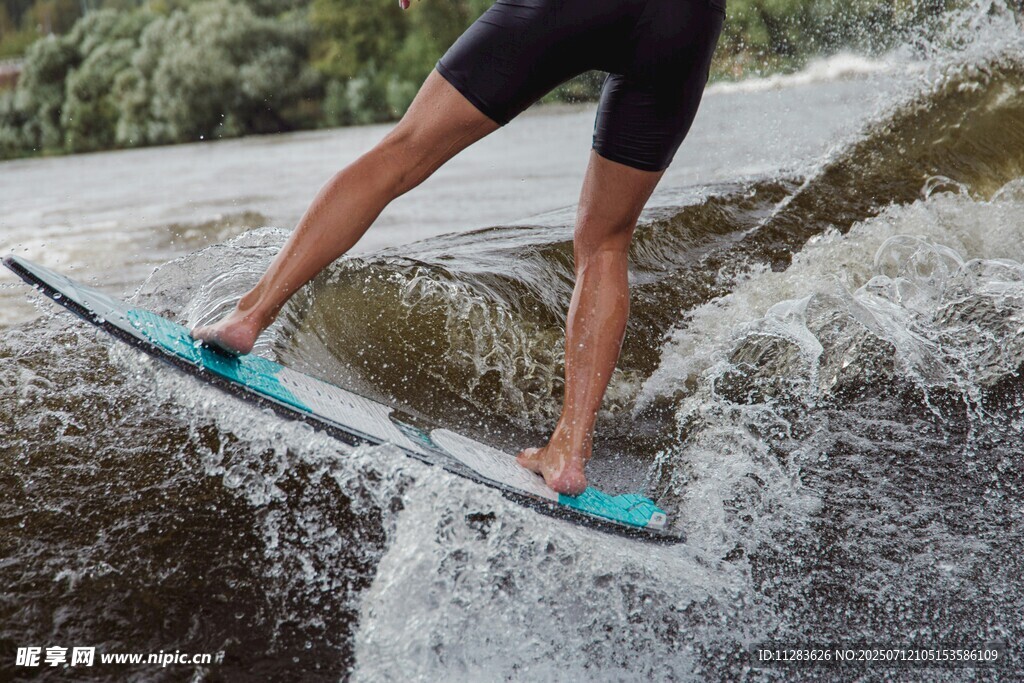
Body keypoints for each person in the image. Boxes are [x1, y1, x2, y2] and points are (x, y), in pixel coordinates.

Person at [191, 0, 725, 495]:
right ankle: (569, 451)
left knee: (401, 154)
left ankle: (249, 316)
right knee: (606, 243)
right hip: (686, 19)